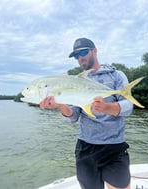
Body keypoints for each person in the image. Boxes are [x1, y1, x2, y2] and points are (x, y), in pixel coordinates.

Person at [40, 38, 133, 189]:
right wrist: (60, 106)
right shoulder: (75, 82)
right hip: (86, 147)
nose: (80, 58)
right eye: (76, 56)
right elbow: (74, 115)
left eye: (83, 52)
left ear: (95, 50)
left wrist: (107, 107)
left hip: (114, 146)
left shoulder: (116, 75)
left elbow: (129, 106)